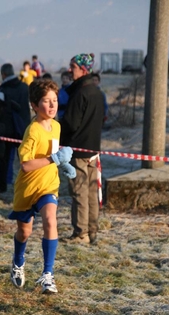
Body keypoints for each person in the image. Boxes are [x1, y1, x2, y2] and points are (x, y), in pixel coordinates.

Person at [8, 79, 76, 294]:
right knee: (24, 232)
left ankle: (48, 275)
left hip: (48, 186)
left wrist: (63, 164)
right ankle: (18, 261)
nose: (52, 105)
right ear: (35, 106)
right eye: (46, 101)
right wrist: (54, 159)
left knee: (50, 220)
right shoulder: (32, 131)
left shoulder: (56, 126)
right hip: (28, 188)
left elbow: (53, 153)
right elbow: (26, 165)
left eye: (55, 100)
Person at [60, 53, 104, 244]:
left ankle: (81, 234)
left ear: (83, 70)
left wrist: (56, 128)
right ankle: (92, 231)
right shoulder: (97, 92)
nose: (70, 70)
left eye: (73, 67)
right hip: (93, 150)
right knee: (91, 192)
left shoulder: (80, 93)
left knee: (79, 192)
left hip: (77, 150)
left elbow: (70, 124)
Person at [0, 63, 31, 185]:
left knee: (6, 158)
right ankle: (28, 181)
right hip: (24, 127)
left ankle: (6, 182)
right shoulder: (24, 87)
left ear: (3, 74)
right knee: (25, 158)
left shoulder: (3, 89)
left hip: (8, 128)